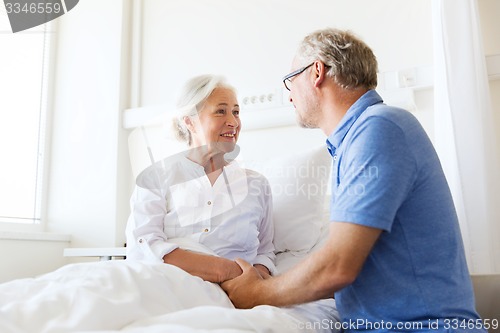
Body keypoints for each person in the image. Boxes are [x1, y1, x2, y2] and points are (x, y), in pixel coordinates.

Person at [221, 28, 486, 332]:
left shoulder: (380, 127)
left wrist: (255, 293)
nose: (289, 94)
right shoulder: (355, 142)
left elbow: (338, 267)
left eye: (290, 80)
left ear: (316, 72)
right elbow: (360, 268)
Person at [125, 74, 276, 283]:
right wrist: (224, 270)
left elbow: (265, 252)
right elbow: (143, 246)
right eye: (221, 111)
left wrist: (255, 285)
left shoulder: (257, 185)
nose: (233, 122)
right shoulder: (156, 179)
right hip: (166, 284)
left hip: (234, 296)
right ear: (190, 122)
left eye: (236, 112)